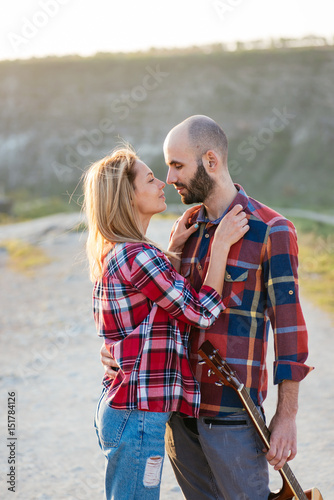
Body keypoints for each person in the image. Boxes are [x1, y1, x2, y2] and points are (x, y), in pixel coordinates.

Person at [101, 117, 313, 499]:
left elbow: (289, 331)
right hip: (178, 417)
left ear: (210, 161)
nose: (169, 177)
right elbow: (158, 309)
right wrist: (117, 351)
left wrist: (287, 415)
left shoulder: (271, 230)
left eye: (177, 165)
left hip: (233, 416)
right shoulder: (187, 230)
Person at [83, 146, 249, 500]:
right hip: (139, 415)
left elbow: (151, 312)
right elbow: (201, 312)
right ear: (128, 195)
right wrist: (220, 245)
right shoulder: (141, 256)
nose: (163, 183)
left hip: (125, 408)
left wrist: (173, 246)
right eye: (149, 178)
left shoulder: (120, 252)